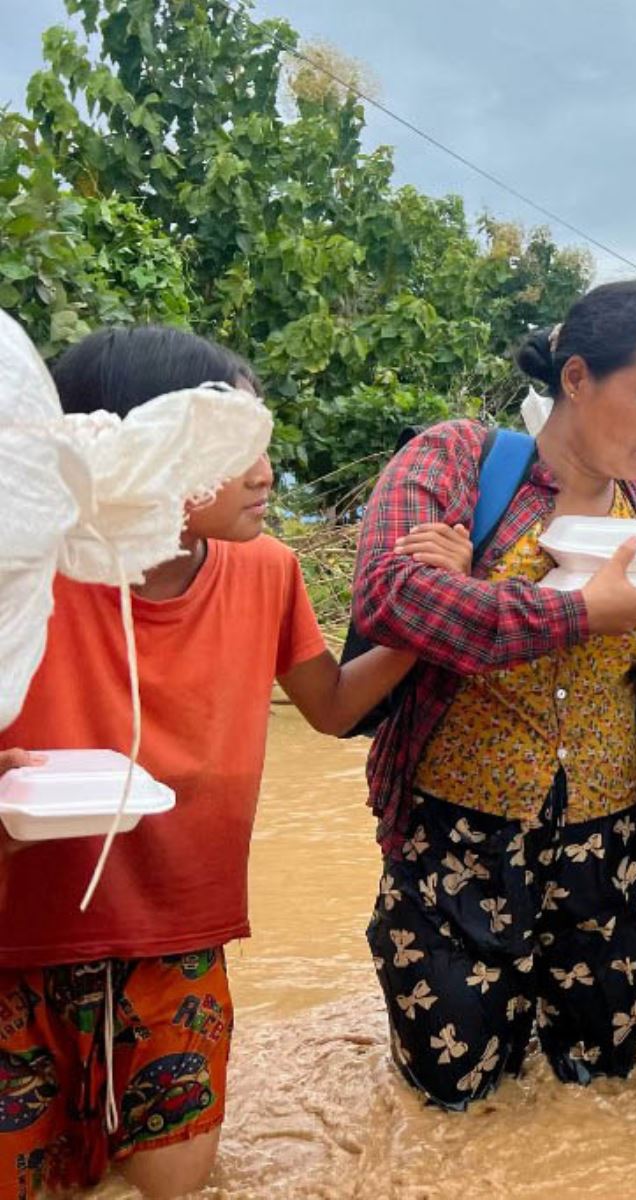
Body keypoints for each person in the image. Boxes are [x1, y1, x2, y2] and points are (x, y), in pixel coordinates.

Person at [0, 326, 468, 1198]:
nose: (266, 475)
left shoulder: (267, 571)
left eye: (265, 447)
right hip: (17, 943)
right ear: (129, 448)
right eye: (236, 449)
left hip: (179, 938)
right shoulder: (22, 572)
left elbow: (329, 709)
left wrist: (429, 612)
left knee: (174, 1186)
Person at [353, 280, 636, 1110]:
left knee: (600, 1092)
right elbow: (391, 597)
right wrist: (579, 612)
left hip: (606, 850)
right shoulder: (462, 461)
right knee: (453, 1097)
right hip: (453, 838)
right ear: (576, 377)